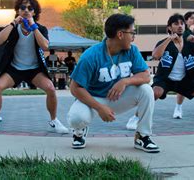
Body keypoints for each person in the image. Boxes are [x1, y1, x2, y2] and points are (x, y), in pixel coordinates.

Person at [67, 13, 160, 152]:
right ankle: (79, 132)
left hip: (118, 98)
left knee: (146, 90)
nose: (133, 37)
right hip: (93, 100)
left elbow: (146, 76)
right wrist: (99, 107)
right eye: (132, 33)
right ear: (120, 34)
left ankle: (143, 136)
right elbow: (74, 88)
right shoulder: (91, 55)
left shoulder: (132, 51)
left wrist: (125, 81)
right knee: (76, 118)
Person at [0, 0, 69, 135]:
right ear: (17, 11)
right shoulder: (13, 27)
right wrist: (13, 22)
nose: (26, 10)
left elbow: (45, 46)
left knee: (51, 88)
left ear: (34, 12)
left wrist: (33, 27)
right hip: (14, 68)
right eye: (22, 8)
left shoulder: (40, 28)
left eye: (30, 8)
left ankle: (54, 121)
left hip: (34, 70)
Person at [130, 14, 194, 128]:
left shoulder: (191, 43)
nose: (180, 26)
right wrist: (168, 39)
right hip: (165, 79)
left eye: (182, 23)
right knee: (154, 93)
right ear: (170, 28)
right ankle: (135, 118)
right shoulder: (165, 42)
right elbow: (156, 55)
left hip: (184, 80)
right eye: (176, 24)